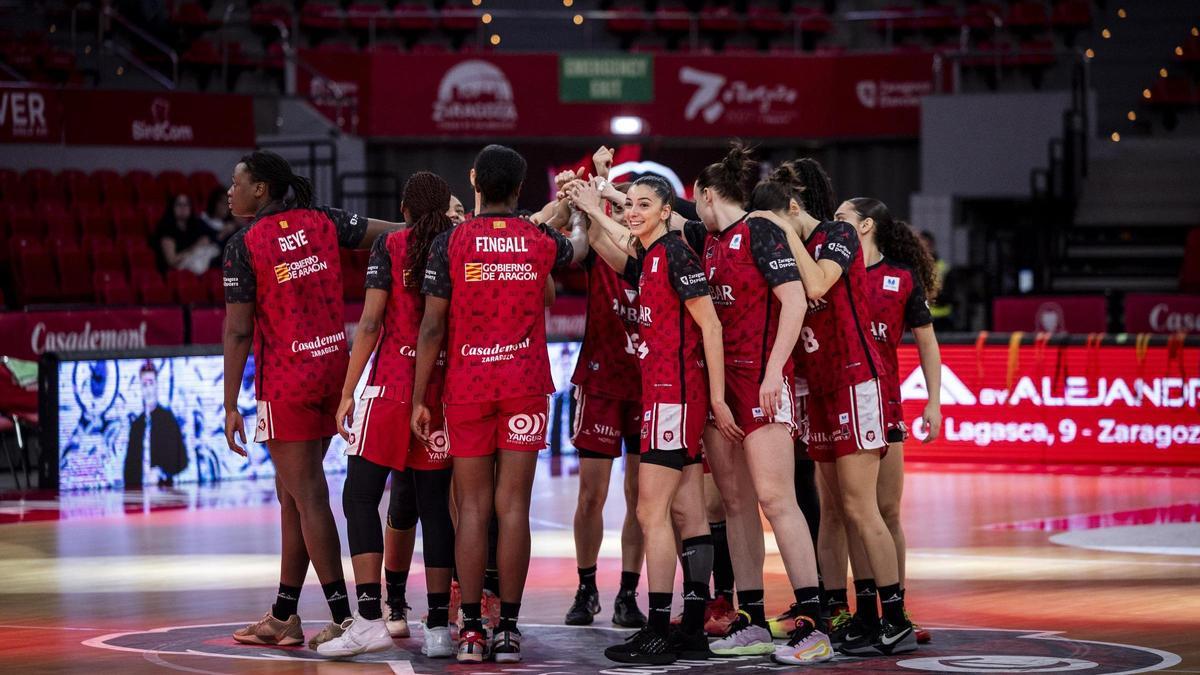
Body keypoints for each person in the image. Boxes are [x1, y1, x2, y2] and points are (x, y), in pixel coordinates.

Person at [411, 144, 589, 664]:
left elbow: (431, 326)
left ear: (475, 183)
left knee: (471, 508)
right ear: (518, 188)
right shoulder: (538, 239)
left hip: (466, 387)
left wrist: (422, 396)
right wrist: (581, 206)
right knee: (513, 508)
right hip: (524, 384)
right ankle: (508, 630)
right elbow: (578, 247)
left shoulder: (451, 242)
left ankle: (469, 630)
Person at [222, 149, 398, 650]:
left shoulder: (244, 245)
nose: (229, 191)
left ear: (260, 190)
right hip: (332, 371)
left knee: (309, 496)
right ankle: (283, 614)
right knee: (292, 496)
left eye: (236, 183)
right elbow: (389, 234)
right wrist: (429, 224)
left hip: (287, 383)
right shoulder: (325, 221)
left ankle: (345, 619)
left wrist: (231, 402)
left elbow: (237, 333)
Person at [749, 162, 916, 657]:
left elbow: (819, 285)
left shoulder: (837, 233)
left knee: (865, 509)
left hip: (856, 382)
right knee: (833, 513)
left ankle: (897, 615)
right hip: (817, 389)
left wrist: (786, 234)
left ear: (793, 211)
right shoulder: (786, 249)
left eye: (776, 224)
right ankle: (855, 612)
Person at [571, 175, 739, 666]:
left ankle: (658, 628)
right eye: (632, 205)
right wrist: (592, 206)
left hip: (674, 398)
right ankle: (690, 628)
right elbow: (613, 247)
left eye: (646, 205)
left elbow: (711, 324)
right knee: (687, 513)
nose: (635, 212)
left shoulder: (676, 253)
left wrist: (718, 398)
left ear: (667, 211)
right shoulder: (652, 258)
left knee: (650, 512)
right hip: (665, 397)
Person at [679, 145, 831, 665]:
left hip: (763, 383)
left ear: (705, 193)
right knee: (738, 504)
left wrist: (772, 373)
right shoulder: (710, 241)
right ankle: (752, 619)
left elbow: (794, 301)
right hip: (723, 390)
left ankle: (815, 622)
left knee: (776, 500)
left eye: (693, 199)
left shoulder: (760, 231)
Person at [318, 172, 458, 658]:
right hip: (443, 392)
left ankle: (372, 617)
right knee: (435, 506)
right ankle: (439, 626)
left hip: (393, 386)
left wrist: (347, 390)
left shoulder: (392, 247)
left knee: (359, 497)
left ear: (403, 209)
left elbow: (371, 323)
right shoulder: (461, 246)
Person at [838, 197, 944, 646]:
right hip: (842, 405)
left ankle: (896, 604)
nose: (832, 225)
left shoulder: (901, 278)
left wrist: (934, 402)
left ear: (864, 226)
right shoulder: (834, 271)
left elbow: (927, 343)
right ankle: (866, 608)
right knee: (853, 513)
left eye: (841, 218)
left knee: (886, 512)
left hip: (888, 407)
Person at [564, 153, 648, 630]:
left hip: (647, 387)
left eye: (636, 206)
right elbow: (578, 201)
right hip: (599, 383)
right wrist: (592, 169)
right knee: (590, 496)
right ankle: (586, 586)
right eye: (620, 205)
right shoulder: (596, 242)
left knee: (641, 498)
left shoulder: (660, 251)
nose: (626, 213)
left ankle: (628, 594)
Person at [124, 360, 187, 488]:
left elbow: (182, 461)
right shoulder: (136, 426)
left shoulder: (168, 419)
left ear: (157, 385)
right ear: (141, 388)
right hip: (139, 494)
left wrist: (162, 473)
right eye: (144, 384)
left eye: (151, 383)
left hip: (164, 492)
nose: (148, 390)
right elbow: (128, 469)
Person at [154, 192, 219, 274]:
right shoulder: (166, 230)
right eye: (179, 204)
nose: (183, 207)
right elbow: (172, 261)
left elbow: (214, 235)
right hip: (178, 272)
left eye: (186, 204)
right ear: (172, 207)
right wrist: (195, 247)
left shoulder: (195, 224)